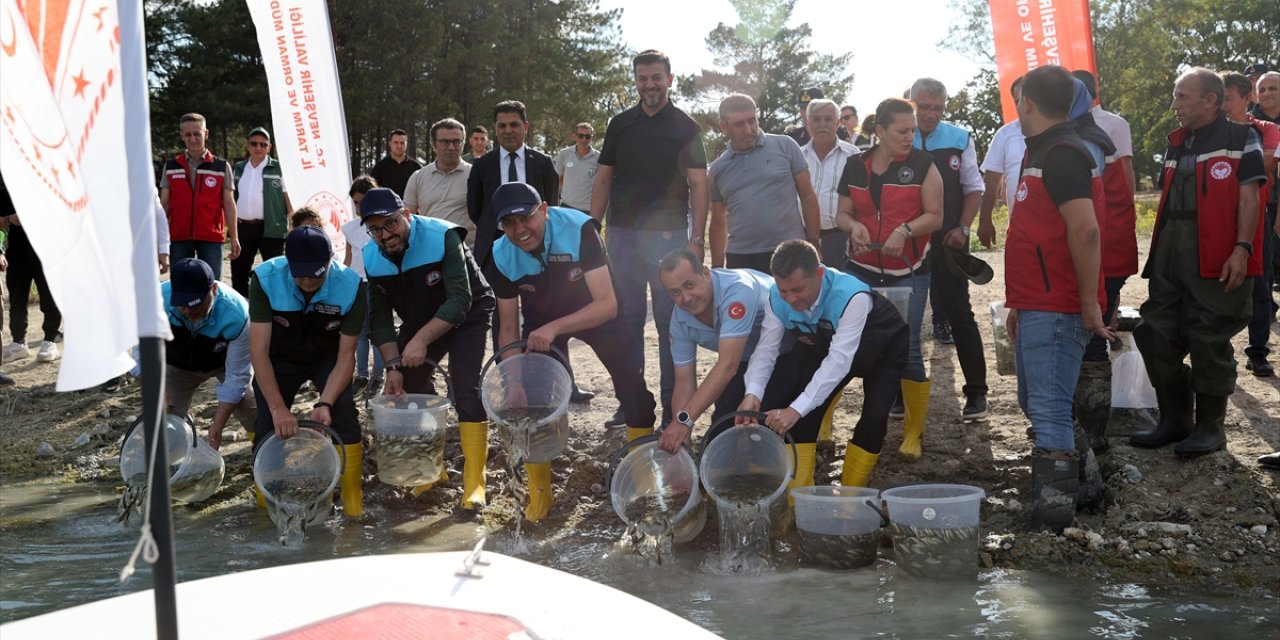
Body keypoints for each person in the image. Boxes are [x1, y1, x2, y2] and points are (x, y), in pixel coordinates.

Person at [487, 183, 657, 521]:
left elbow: (607, 305)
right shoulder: (500, 253)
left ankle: (644, 483)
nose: (519, 231)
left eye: (526, 219)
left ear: (544, 210)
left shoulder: (580, 229)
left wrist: (555, 328)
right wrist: (515, 381)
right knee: (529, 402)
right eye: (509, 224)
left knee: (634, 395)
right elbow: (507, 325)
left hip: (596, 313)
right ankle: (540, 495)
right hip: (539, 323)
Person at [1129, 68, 1267, 457]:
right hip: (1172, 250)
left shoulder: (1243, 136)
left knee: (1209, 337)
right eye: (1175, 97)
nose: (1174, 105)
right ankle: (1176, 420)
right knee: (1154, 330)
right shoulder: (1177, 143)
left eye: (1182, 97)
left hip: (1219, 253)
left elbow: (1250, 197)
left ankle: (1211, 428)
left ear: (1210, 100)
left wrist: (1242, 248)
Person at [1005, 65, 1115, 531]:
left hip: (1057, 304)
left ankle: (1052, 520)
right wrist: (1018, 303)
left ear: (1027, 102)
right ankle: (1088, 489)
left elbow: (1086, 229)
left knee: (1048, 408)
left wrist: (1089, 303)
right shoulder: (1045, 150)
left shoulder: (1062, 154)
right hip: (1037, 301)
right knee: (1037, 402)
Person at [590, 49, 709, 427]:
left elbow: (699, 184)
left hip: (669, 237)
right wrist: (593, 229)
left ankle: (676, 404)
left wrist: (697, 238)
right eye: (642, 78)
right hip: (622, 234)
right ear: (636, 81)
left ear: (669, 79)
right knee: (626, 319)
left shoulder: (686, 127)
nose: (649, 85)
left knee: (668, 320)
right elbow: (604, 177)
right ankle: (632, 403)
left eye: (656, 77)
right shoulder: (620, 124)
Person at [360, 188, 495, 508]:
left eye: (391, 223)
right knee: (407, 384)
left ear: (406, 214)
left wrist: (421, 340)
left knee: (465, 386)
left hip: (468, 314)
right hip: (420, 316)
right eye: (375, 228)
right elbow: (380, 320)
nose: (385, 235)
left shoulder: (442, 236)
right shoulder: (370, 254)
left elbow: (460, 300)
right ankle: (431, 470)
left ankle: (475, 481)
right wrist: (392, 367)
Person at [737, 240, 908, 489]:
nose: (790, 299)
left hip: (883, 345)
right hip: (827, 344)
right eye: (783, 290)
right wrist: (753, 392)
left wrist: (794, 409)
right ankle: (798, 494)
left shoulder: (851, 295)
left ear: (819, 273)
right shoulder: (777, 299)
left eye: (797, 289)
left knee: (874, 415)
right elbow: (765, 351)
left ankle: (852, 494)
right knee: (803, 415)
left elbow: (839, 362)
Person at [836, 97, 942, 460]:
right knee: (843, 343)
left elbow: (936, 216)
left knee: (909, 348)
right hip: (860, 270)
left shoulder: (925, 164)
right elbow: (842, 215)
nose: (910, 136)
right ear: (879, 132)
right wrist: (854, 228)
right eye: (902, 130)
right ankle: (823, 422)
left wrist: (906, 230)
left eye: (912, 130)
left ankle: (914, 433)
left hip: (909, 273)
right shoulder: (854, 165)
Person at [248, 225, 367, 516]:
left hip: (328, 359)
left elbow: (345, 356)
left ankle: (353, 501)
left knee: (345, 415)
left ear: (330, 260)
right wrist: (278, 409)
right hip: (279, 358)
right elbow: (258, 352)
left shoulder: (352, 286)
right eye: (299, 272)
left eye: (316, 272)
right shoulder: (264, 279)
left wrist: (324, 402)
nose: (307, 280)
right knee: (266, 425)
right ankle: (268, 506)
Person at [909, 77, 989, 420]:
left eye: (937, 108)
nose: (930, 114)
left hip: (949, 241)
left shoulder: (960, 137)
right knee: (902, 321)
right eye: (923, 106)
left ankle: (977, 394)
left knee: (960, 314)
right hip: (906, 245)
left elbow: (974, 188)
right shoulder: (892, 134)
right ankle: (900, 394)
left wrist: (963, 227)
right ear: (909, 102)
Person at [1066, 71, 1136, 455]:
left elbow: (1090, 218)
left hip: (1097, 256)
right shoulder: (1093, 137)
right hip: (1105, 253)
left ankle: (1089, 433)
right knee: (1092, 338)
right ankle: (1086, 429)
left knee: (1090, 340)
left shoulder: (1081, 143)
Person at [655, 249, 772, 454]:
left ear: (706, 273)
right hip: (747, 359)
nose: (686, 297)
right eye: (675, 292)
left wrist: (685, 421)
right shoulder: (679, 320)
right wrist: (681, 447)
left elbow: (728, 366)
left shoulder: (738, 291)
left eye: (689, 285)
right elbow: (684, 382)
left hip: (793, 350)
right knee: (719, 437)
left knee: (767, 426)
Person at [710, 93, 821, 273]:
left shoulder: (785, 145)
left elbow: (808, 196)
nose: (749, 129)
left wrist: (814, 242)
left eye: (752, 121)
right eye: (739, 124)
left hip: (791, 251)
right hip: (741, 258)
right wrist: (716, 269)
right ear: (724, 127)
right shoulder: (717, 169)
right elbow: (717, 222)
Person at [162, 258, 257, 449]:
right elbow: (141, 353)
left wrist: (218, 425)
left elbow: (237, 375)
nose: (188, 310)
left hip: (223, 363)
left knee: (252, 410)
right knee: (165, 419)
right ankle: (174, 462)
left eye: (195, 304)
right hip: (176, 365)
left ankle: (264, 447)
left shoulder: (238, 313)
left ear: (213, 290)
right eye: (182, 304)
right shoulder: (156, 301)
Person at [1226, 71, 1280, 377]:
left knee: (1259, 285)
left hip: (1258, 213)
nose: (1223, 106)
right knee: (1218, 283)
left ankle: (1257, 352)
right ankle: (1222, 350)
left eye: (1229, 99)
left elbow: (1267, 163)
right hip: (1218, 216)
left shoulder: (1265, 129)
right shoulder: (1209, 130)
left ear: (1248, 99)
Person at [467, 100, 559, 272]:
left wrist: (529, 227)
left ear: (525, 126)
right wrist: (500, 227)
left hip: (534, 240)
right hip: (493, 244)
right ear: (495, 127)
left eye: (514, 125)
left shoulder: (543, 163)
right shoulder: (482, 165)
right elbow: (475, 208)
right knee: (494, 296)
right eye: (502, 126)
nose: (508, 130)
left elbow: (551, 204)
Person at [160, 113, 239, 281]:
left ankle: (211, 309)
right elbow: (164, 205)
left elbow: (229, 204)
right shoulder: (171, 166)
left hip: (210, 237)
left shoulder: (222, 166)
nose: (193, 138)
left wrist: (234, 238)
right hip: (179, 236)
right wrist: (158, 240)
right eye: (188, 134)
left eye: (197, 133)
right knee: (180, 284)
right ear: (181, 136)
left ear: (206, 134)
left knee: (212, 285)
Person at [1, 175, 62, 364]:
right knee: (17, 298)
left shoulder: (47, 183)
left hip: (46, 250)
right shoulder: (5, 189)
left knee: (49, 295)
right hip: (16, 251)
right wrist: (10, 219)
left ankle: (49, 341)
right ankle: (19, 342)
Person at [229, 127, 293, 297]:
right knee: (239, 272)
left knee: (275, 274)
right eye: (254, 144)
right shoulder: (239, 168)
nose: (258, 147)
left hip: (272, 228)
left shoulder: (280, 168)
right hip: (243, 227)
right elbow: (231, 197)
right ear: (248, 146)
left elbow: (288, 198)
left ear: (269, 147)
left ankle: (276, 313)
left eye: (263, 144)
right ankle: (242, 312)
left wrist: (293, 223)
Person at [339, 176, 384, 396]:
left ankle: (378, 375)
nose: (359, 207)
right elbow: (348, 258)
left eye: (363, 201)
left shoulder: (385, 225)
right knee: (360, 331)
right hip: (357, 284)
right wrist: (344, 282)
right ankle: (362, 375)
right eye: (356, 203)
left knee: (378, 331)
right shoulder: (350, 228)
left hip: (378, 284)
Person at [802, 99, 860, 268]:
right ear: (808, 123)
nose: (822, 124)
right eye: (816, 119)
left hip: (840, 238)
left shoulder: (853, 155)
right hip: (802, 236)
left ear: (837, 122)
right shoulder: (797, 156)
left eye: (828, 119)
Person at [404, 118, 476, 245]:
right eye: (445, 142)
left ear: (464, 143)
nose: (451, 147)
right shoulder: (418, 177)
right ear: (433, 144)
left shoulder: (475, 176)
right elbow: (406, 218)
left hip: (468, 255)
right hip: (429, 254)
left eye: (456, 141)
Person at [977, 76, 1027, 248]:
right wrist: (985, 220)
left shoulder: (1064, 132)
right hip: (1019, 231)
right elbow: (991, 179)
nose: (1023, 105)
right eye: (1018, 101)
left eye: (1027, 99)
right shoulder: (1006, 134)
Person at [553, 122, 599, 213]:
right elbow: (559, 179)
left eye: (587, 136)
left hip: (588, 209)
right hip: (565, 207)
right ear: (574, 136)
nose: (584, 139)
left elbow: (601, 184)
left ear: (591, 138)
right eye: (581, 136)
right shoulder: (564, 154)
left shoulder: (599, 157)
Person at [786, 87, 851, 147]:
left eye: (811, 108)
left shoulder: (840, 133)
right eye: (804, 108)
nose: (807, 112)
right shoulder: (793, 137)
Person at [368, 129, 422, 198]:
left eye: (402, 143)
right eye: (396, 142)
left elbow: (422, 190)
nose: (399, 146)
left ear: (406, 144)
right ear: (390, 143)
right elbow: (372, 190)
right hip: (387, 207)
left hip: (409, 207)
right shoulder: (380, 166)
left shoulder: (415, 167)